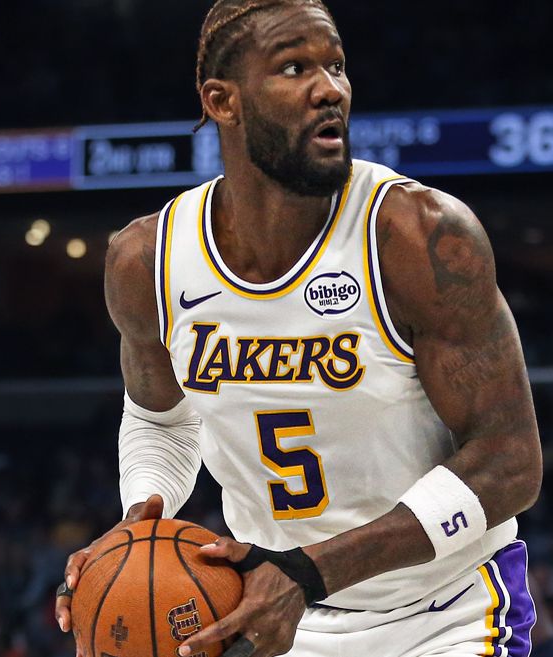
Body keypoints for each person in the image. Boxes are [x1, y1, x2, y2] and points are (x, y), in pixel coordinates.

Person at [56, 1, 543, 656]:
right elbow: (160, 419)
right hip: (280, 616)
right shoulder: (148, 260)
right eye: (294, 68)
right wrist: (139, 520)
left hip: (445, 611)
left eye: (336, 65)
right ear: (222, 101)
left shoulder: (416, 236)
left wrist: (312, 571)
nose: (329, 89)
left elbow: (510, 462)